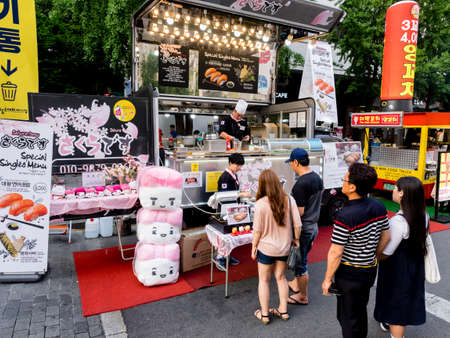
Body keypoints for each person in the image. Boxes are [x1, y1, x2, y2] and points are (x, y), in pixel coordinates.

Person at [322, 163, 390, 338]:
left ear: (352, 187)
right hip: (369, 269)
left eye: (344, 180)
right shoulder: (378, 206)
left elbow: (336, 252)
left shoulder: (345, 216)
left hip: (349, 273)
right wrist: (374, 255)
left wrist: (327, 279)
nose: (342, 182)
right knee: (359, 311)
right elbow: (386, 236)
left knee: (348, 317)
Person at [374, 176, 427, 337]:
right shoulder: (424, 215)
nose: (393, 191)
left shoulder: (398, 221)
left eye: (395, 188)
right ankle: (388, 322)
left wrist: (376, 256)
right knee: (406, 300)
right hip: (415, 266)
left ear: (402, 193)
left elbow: (387, 252)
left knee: (396, 307)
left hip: (397, 270)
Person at [251, 169, 302, 324]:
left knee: (264, 281)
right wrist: (297, 239)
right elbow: (298, 224)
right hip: (284, 247)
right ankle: (283, 311)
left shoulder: (260, 204)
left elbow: (257, 231)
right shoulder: (289, 200)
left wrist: (254, 248)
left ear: (262, 185)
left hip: (266, 248)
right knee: (281, 278)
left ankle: (265, 315)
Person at [285, 148, 323, 306]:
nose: (291, 166)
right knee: (302, 256)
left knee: (301, 263)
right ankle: (295, 282)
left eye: (291, 163)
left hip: (304, 228)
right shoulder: (316, 177)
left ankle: (302, 296)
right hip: (314, 225)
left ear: (296, 162)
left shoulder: (301, 184)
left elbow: (298, 212)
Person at [215, 153, 251, 270]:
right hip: (225, 209)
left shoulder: (233, 175)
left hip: (232, 208)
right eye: (237, 165)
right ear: (230, 163)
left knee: (231, 233)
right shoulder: (225, 177)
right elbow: (224, 195)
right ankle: (220, 257)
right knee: (225, 235)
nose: (239, 168)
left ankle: (228, 255)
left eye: (240, 166)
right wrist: (241, 194)